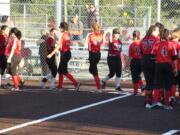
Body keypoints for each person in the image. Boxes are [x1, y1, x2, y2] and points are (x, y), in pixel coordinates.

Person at [47, 22, 80, 91]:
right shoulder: (67, 33)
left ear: (62, 28)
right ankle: (60, 86)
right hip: (67, 53)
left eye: (60, 27)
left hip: (65, 53)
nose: (59, 28)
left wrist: (51, 54)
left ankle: (76, 83)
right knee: (60, 70)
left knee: (64, 71)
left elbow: (58, 45)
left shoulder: (62, 34)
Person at [151, 29, 177, 110]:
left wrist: (159, 58)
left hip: (159, 64)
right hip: (168, 65)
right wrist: (175, 68)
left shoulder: (157, 44)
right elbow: (174, 58)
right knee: (168, 85)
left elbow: (152, 55)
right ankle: (167, 103)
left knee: (158, 83)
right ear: (167, 35)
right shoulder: (171, 44)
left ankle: (156, 101)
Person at [140, 25, 160, 108]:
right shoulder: (156, 39)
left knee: (148, 82)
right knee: (155, 81)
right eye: (157, 30)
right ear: (153, 31)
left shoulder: (143, 39)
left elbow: (141, 51)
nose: (158, 32)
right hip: (152, 59)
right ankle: (156, 100)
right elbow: (157, 51)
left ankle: (147, 101)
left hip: (144, 59)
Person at [86, 23, 103, 90]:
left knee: (94, 70)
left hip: (92, 54)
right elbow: (100, 43)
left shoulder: (91, 35)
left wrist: (90, 52)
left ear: (93, 28)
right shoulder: (100, 35)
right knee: (91, 69)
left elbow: (89, 44)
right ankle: (98, 81)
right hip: (98, 54)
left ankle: (99, 87)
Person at [128, 30, 144, 95]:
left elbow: (130, 56)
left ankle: (135, 91)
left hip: (135, 61)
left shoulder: (132, 44)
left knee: (135, 76)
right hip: (142, 61)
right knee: (138, 75)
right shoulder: (142, 43)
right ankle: (142, 86)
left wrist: (127, 64)